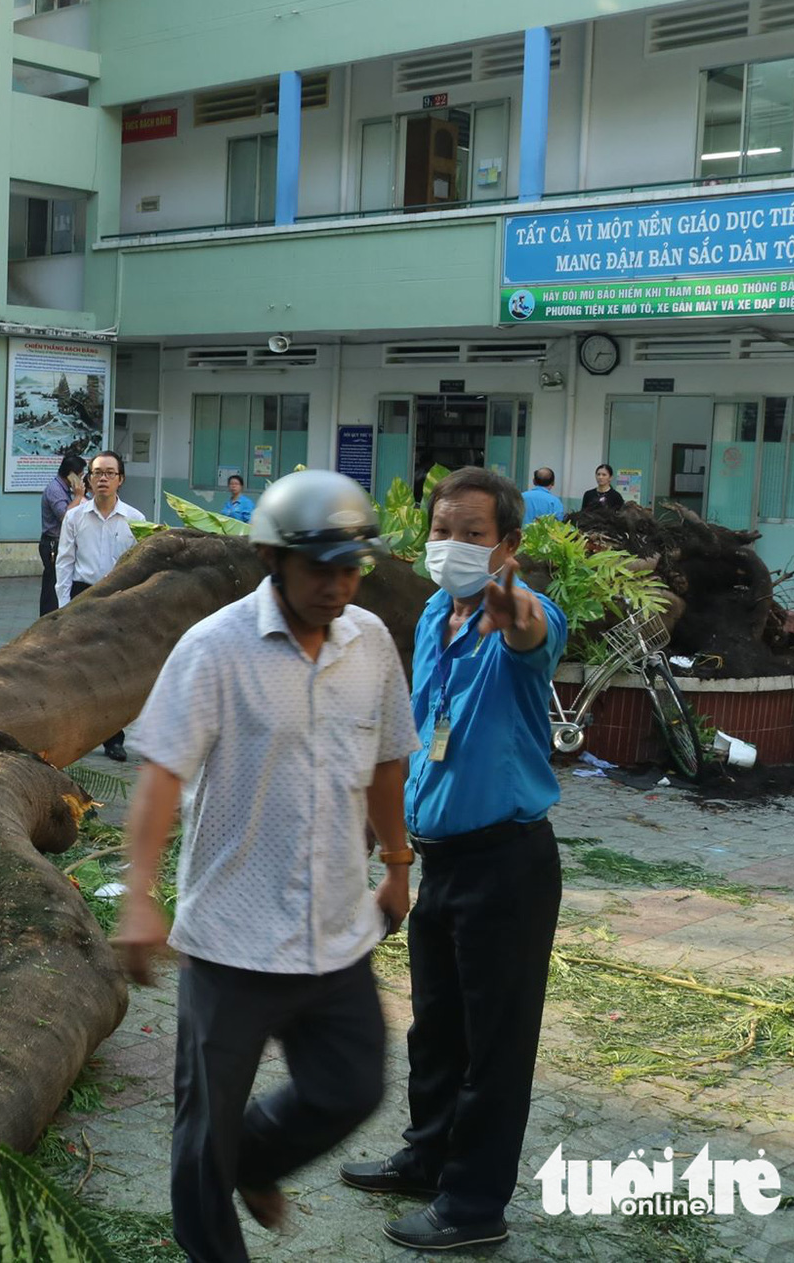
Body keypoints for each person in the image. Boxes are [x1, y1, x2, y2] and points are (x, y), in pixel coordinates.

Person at [113, 469, 421, 1263]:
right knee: (202, 1142)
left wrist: (396, 860)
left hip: (336, 930)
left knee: (353, 1087)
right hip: (233, 941)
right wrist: (139, 897)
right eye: (321, 567)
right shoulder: (214, 649)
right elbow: (160, 775)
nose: (338, 584)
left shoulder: (371, 644)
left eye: (351, 566)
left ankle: (262, 1158)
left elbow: (388, 760)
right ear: (273, 558)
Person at [339, 467, 568, 1253]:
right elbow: (420, 733)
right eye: (442, 531)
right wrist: (389, 830)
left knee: (495, 1045)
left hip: (508, 864)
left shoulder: (524, 621)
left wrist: (517, 609)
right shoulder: (436, 612)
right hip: (439, 861)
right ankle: (427, 1156)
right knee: (436, 1027)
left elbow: (532, 629)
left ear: (509, 543)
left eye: (473, 534)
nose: (453, 546)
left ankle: (474, 1205)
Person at [55, 450, 146, 761]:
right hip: (83, 596)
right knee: (77, 669)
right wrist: (63, 607)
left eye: (110, 473)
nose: (103, 478)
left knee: (114, 674)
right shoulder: (75, 517)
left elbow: (141, 567)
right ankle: (72, 735)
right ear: (88, 480)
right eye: (97, 473)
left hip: (119, 599)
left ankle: (113, 738)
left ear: (120, 479)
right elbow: (64, 563)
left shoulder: (136, 520)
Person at [38, 452, 87, 616]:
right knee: (52, 587)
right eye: (80, 475)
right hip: (53, 544)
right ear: (71, 475)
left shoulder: (65, 489)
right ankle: (48, 619)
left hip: (60, 542)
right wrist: (78, 496)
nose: (82, 479)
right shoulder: (55, 490)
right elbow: (66, 516)